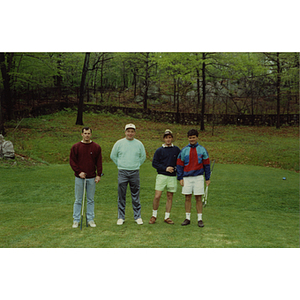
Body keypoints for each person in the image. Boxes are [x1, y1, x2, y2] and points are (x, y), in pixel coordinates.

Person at [110, 123, 146, 225]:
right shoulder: (119, 143)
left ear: (134, 133)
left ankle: (137, 216)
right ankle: (121, 217)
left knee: (135, 194)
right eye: (128, 131)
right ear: (125, 132)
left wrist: (136, 165)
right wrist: (120, 164)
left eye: (132, 131)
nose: (130, 133)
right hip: (122, 172)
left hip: (135, 171)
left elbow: (143, 157)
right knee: (121, 195)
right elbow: (113, 156)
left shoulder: (139, 144)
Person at [176, 129, 211, 227]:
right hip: (187, 177)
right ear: (188, 138)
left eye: (193, 137)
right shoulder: (184, 150)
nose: (192, 139)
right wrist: (180, 178)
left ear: (197, 138)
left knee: (198, 198)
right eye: (190, 138)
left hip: (198, 177)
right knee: (187, 197)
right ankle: (187, 218)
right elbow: (179, 164)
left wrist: (207, 178)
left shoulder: (202, 149)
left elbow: (207, 165)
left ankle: (200, 219)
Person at [70, 127, 103, 228]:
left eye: (89, 133)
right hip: (80, 178)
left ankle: (90, 219)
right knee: (78, 199)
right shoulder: (76, 147)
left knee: (90, 199)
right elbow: (72, 162)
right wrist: (79, 172)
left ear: (91, 134)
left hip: (92, 177)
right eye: (85, 133)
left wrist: (98, 174)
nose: (87, 135)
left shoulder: (96, 147)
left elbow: (99, 162)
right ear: (82, 134)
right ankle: (76, 220)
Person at [149, 129, 181, 225]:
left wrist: (174, 169)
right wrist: (165, 168)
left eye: (170, 137)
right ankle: (154, 215)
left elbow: (179, 163)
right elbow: (154, 163)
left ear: (172, 138)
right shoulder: (159, 150)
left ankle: (167, 217)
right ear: (164, 139)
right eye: (166, 137)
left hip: (172, 177)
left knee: (169, 196)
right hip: (161, 175)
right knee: (157, 196)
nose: (168, 139)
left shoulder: (176, 149)